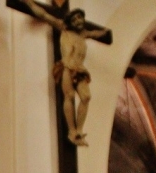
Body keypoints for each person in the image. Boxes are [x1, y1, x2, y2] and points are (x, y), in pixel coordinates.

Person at [21, 0, 110, 146]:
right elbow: (43, 14)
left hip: (80, 69)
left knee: (86, 97)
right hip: (67, 66)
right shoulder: (63, 28)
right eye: (74, 19)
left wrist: (105, 32)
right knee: (68, 95)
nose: (78, 21)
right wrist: (29, 3)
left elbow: (95, 33)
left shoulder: (84, 34)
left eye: (80, 18)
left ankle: (79, 129)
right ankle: (72, 132)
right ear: (70, 22)